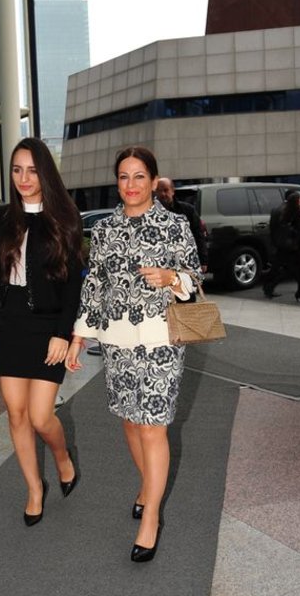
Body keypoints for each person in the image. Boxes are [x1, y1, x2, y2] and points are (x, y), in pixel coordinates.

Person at [65, 145, 202, 563]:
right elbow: (94, 284)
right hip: (118, 341)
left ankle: (151, 517)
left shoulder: (175, 225)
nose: (131, 184)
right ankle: (148, 485)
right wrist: (79, 335)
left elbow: (195, 278)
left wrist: (172, 277)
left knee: (153, 427)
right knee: (129, 420)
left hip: (162, 340)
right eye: (124, 176)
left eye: (139, 176)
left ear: (154, 181)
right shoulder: (104, 229)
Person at [0, 137, 85, 527]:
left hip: (48, 328)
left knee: (41, 417)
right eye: (17, 170)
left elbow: (74, 284)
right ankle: (33, 489)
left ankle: (61, 457)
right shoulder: (4, 219)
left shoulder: (66, 218)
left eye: (31, 170)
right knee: (16, 414)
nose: (24, 178)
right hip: (9, 325)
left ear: (45, 173)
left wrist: (63, 333)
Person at [156, 177, 208, 294]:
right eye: (159, 190)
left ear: (172, 191)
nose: (163, 194)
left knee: (186, 295)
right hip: (161, 265)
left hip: (185, 263)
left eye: (166, 190)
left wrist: (203, 260)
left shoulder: (187, 210)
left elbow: (198, 235)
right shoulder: (149, 212)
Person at [263, 190, 300, 302]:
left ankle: (269, 287)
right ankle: (299, 292)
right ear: (296, 201)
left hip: (282, 246)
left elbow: (273, 230)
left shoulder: (278, 211)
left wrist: (276, 243)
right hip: (296, 247)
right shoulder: (298, 213)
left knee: (281, 268)